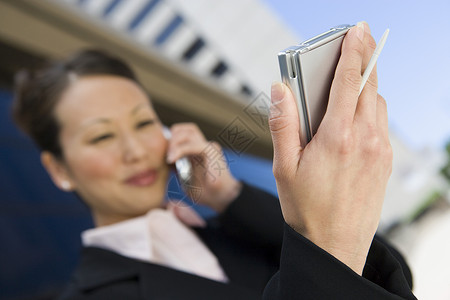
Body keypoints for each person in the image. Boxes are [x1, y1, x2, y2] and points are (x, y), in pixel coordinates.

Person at [12, 22, 416, 299]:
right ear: (59, 170)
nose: (135, 150)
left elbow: (391, 271)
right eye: (102, 136)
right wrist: (324, 248)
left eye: (143, 123)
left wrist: (228, 195)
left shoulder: (233, 229)